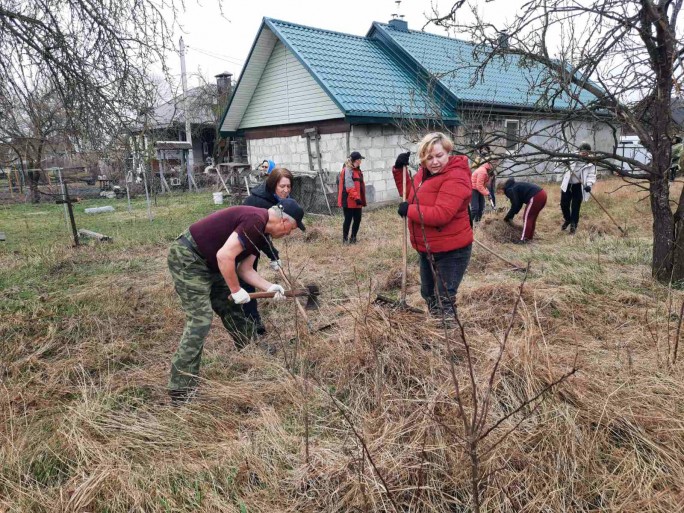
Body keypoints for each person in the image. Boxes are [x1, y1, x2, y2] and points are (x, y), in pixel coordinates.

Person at [167, 199, 306, 403]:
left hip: (210, 263)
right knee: (200, 320)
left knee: (231, 309)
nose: (289, 234)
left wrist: (270, 287)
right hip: (189, 258)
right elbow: (225, 257)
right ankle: (180, 387)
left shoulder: (261, 233)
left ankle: (250, 348)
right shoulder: (255, 220)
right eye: (292, 229)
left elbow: (244, 269)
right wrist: (235, 288)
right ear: (284, 221)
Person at [393, 132, 473, 322]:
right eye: (429, 157)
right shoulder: (424, 174)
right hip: (428, 248)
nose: (434, 162)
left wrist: (409, 210)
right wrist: (399, 170)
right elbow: (409, 194)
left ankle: (451, 340)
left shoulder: (457, 177)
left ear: (448, 152)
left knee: (444, 298)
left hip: (452, 251)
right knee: (428, 293)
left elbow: (441, 214)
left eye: (439, 156)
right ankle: (437, 325)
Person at [241, 167, 294, 334]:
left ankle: (249, 318)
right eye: (282, 186)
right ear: (273, 186)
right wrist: (273, 255)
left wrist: (273, 255)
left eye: (288, 186)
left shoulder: (276, 200)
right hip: (242, 241)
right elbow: (262, 235)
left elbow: (266, 234)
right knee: (246, 281)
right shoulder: (261, 203)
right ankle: (251, 322)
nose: (286, 190)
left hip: (253, 240)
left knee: (248, 277)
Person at [560, 142, 597, 234]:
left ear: (589, 152)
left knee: (575, 206)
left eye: (586, 152)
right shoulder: (571, 156)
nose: (584, 153)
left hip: (579, 186)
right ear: (579, 151)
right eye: (582, 151)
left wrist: (589, 185)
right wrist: (564, 162)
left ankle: (573, 225)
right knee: (564, 204)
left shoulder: (591, 163)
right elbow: (559, 161)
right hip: (568, 184)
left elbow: (591, 175)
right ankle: (567, 219)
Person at [500, 178, 547, 243]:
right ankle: (529, 238)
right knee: (532, 218)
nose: (499, 193)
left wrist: (508, 216)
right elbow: (518, 203)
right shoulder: (513, 186)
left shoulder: (510, 190)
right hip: (542, 194)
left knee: (527, 218)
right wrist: (511, 215)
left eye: (498, 191)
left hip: (535, 196)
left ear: (502, 188)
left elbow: (515, 204)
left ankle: (524, 239)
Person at [337, 151, 367, 244]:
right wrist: (356, 198)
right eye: (360, 160)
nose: (360, 162)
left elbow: (360, 185)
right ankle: (345, 239)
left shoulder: (358, 171)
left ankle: (353, 238)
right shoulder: (347, 170)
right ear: (356, 160)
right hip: (349, 201)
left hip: (357, 200)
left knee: (357, 219)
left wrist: (359, 198)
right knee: (348, 220)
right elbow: (349, 186)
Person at [470, 157, 499, 223]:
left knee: (481, 208)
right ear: (489, 162)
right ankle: (467, 224)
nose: (495, 166)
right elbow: (479, 185)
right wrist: (487, 194)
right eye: (494, 164)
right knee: (475, 209)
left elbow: (483, 186)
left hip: (479, 189)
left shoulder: (488, 171)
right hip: (473, 189)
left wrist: (488, 193)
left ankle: (477, 224)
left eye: (496, 164)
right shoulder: (483, 171)